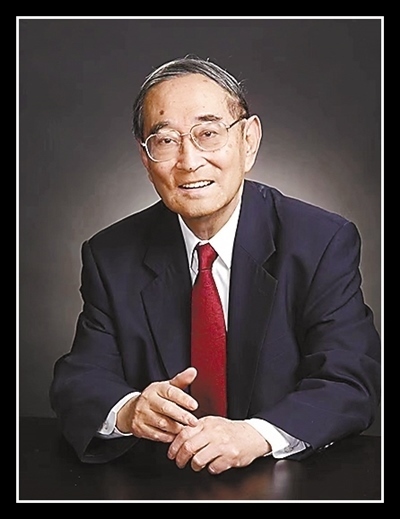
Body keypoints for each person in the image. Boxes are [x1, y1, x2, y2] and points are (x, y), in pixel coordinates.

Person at [49, 56, 381, 475]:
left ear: (248, 140)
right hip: (160, 484)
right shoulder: (110, 255)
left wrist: (256, 434)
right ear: (146, 159)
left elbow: (349, 381)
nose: (189, 160)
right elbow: (80, 378)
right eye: (165, 140)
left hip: (287, 482)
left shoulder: (320, 242)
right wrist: (130, 410)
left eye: (208, 133)